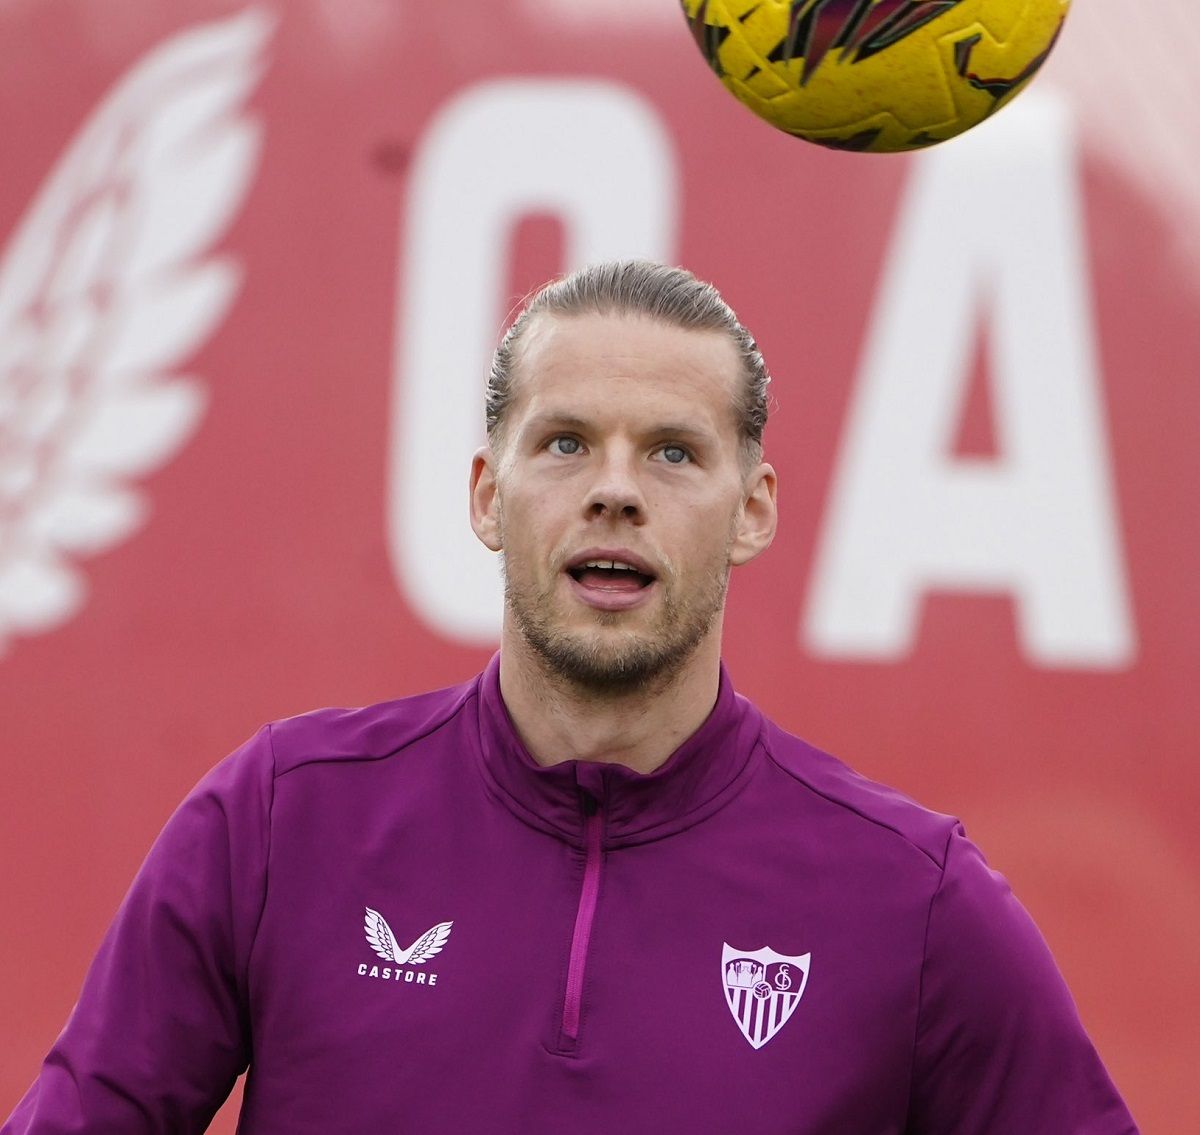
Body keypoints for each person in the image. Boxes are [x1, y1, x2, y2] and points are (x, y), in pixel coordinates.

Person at [4, 260, 1138, 1134]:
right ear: (490, 494)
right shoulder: (280, 820)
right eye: (565, 443)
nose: (614, 491)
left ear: (754, 508)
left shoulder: (915, 900)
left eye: (674, 455)